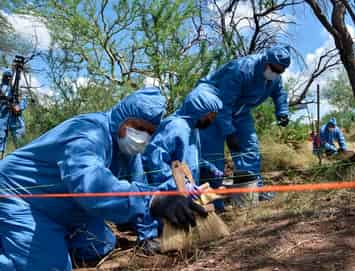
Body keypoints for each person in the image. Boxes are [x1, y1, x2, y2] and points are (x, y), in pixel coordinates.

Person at [0, 87, 207, 271]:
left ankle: (45, 241)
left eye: (149, 132)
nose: (143, 136)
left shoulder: (127, 152)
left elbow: (137, 188)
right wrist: (153, 201)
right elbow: (90, 187)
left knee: (102, 244)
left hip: (67, 206)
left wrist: (152, 232)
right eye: (139, 127)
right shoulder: (87, 134)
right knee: (51, 266)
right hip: (20, 197)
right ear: (122, 117)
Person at [193, 45, 291, 208]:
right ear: (266, 61)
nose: (275, 72)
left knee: (250, 150)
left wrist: (282, 112)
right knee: (212, 157)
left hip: (241, 113)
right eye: (274, 68)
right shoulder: (241, 69)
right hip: (213, 111)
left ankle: (253, 193)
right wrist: (229, 133)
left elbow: (279, 92)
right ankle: (214, 200)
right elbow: (223, 104)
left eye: (280, 71)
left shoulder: (275, 77)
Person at [141, 87, 223, 253]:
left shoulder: (192, 129)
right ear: (199, 110)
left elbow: (191, 159)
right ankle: (152, 240)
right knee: (168, 218)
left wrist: (209, 169)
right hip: (167, 191)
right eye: (211, 115)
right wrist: (179, 184)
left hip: (185, 187)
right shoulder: (176, 126)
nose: (212, 119)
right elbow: (156, 161)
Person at [0, 70, 27, 156]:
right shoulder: (2, 88)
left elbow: (23, 101)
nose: (7, 79)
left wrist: (18, 107)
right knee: (1, 143)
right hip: (2, 120)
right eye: (6, 77)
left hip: (16, 121)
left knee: (20, 144)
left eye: (9, 77)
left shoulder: (16, 90)